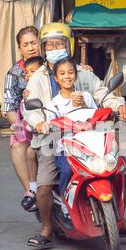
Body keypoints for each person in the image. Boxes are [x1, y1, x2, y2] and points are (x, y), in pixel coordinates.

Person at [23, 22, 126, 249]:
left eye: (58, 43)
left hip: (90, 137)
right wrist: (39, 122)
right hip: (53, 140)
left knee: (123, 173)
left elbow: (103, 94)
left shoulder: (82, 73)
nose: (53, 48)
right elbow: (29, 108)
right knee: (43, 187)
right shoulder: (37, 78)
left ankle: (120, 220)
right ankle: (47, 228)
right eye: (49, 44)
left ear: (68, 45)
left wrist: (118, 106)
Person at [46, 58, 98, 197]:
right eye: (62, 74)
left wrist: (83, 105)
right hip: (66, 148)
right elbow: (52, 128)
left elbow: (96, 119)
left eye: (70, 72)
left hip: (89, 146)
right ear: (56, 78)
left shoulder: (86, 96)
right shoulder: (53, 104)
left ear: (76, 75)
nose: (67, 76)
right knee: (68, 170)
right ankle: (64, 199)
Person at [4, 26, 40, 212]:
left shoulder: (51, 65)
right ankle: (31, 191)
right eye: (25, 44)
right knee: (18, 142)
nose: (31, 47)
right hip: (25, 118)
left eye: (33, 42)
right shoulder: (14, 73)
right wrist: (15, 123)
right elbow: (10, 105)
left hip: (53, 116)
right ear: (20, 49)